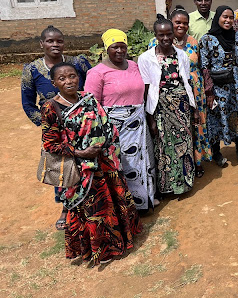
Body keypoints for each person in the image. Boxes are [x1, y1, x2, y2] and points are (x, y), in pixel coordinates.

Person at [41, 62, 141, 266]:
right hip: (81, 169)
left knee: (113, 202)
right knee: (94, 211)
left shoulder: (88, 98)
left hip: (104, 162)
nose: (68, 81)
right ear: (54, 83)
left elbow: (106, 125)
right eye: (62, 78)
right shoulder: (51, 108)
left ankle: (120, 240)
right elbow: (50, 144)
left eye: (72, 76)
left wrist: (106, 147)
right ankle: (100, 250)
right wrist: (81, 153)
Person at [21, 25, 91, 230]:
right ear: (41, 43)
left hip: (83, 124)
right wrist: (47, 125)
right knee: (62, 166)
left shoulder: (77, 63)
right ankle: (65, 207)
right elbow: (27, 103)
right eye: (50, 41)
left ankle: (90, 200)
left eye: (59, 41)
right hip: (56, 128)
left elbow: (92, 86)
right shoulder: (32, 70)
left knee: (88, 162)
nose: (55, 44)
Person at [84, 29, 157, 210]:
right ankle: (129, 205)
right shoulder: (97, 73)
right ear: (106, 48)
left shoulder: (133, 65)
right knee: (124, 163)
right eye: (114, 47)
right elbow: (91, 105)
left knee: (144, 160)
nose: (119, 51)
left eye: (123, 47)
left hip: (139, 122)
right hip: (116, 127)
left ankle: (146, 198)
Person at [149, 7, 212, 177]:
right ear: (170, 23)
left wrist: (207, 90)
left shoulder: (193, 42)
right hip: (169, 94)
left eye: (185, 23)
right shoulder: (155, 43)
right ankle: (176, 165)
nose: (181, 26)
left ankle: (197, 161)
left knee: (196, 125)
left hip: (195, 91)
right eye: (177, 22)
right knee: (175, 130)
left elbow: (202, 66)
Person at [138, 16, 196, 197]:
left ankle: (184, 184)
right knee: (163, 147)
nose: (165, 38)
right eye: (161, 35)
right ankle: (167, 186)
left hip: (182, 108)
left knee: (184, 144)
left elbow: (187, 83)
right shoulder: (146, 58)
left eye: (168, 34)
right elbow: (147, 90)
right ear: (155, 36)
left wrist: (193, 109)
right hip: (160, 109)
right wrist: (150, 119)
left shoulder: (181, 55)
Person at [200, 6, 238, 166]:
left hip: (237, 85)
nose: (228, 20)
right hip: (217, 88)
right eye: (224, 17)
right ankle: (216, 152)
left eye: (231, 17)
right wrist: (209, 92)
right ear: (218, 18)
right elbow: (204, 67)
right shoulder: (206, 40)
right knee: (216, 118)